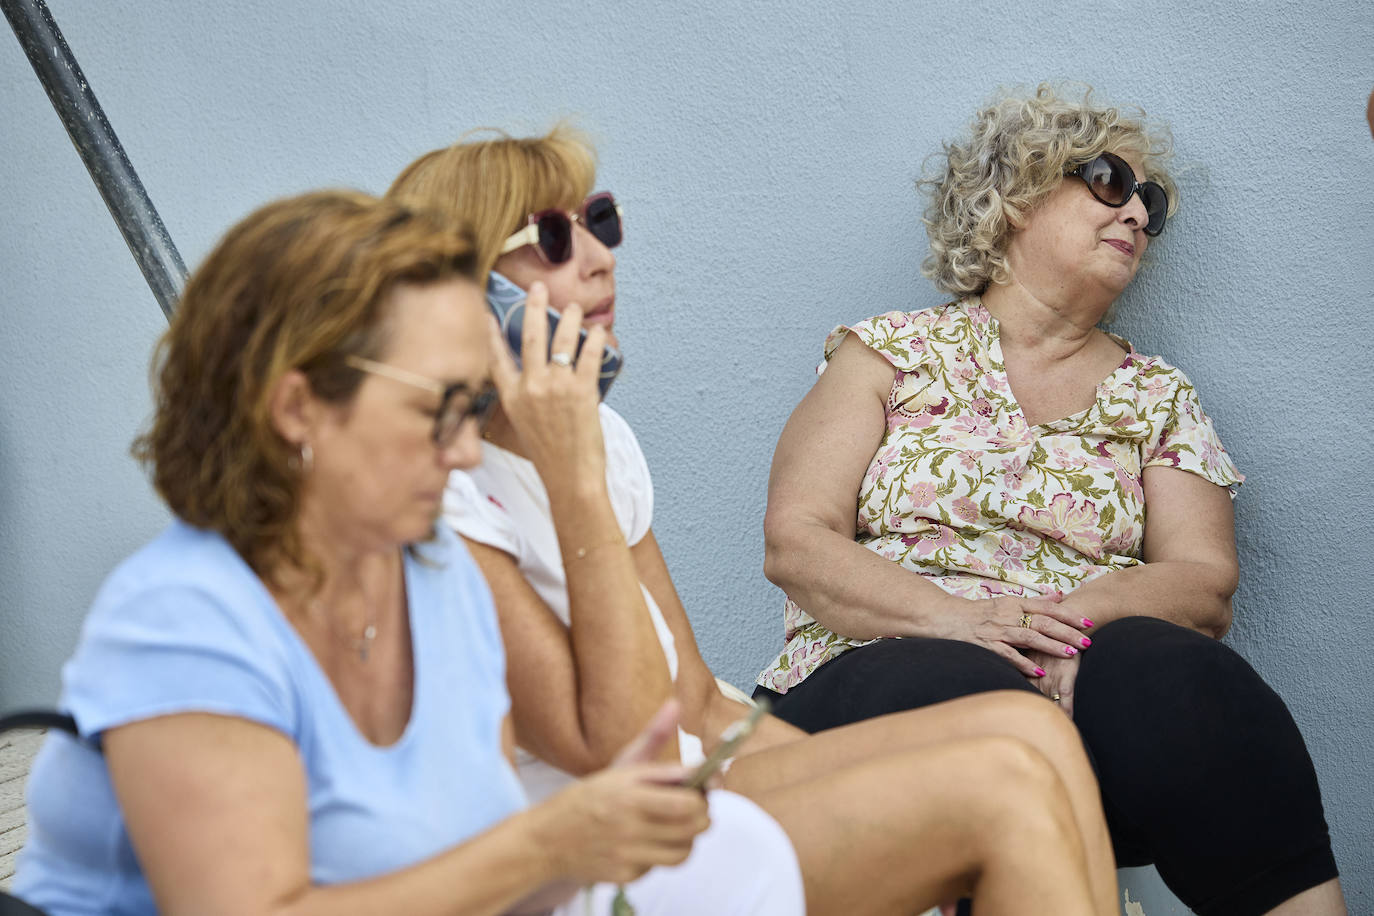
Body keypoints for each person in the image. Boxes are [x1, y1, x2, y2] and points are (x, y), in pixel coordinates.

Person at [11, 189, 806, 916]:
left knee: (744, 857)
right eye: (442, 408)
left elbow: (473, 880)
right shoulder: (183, 618)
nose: (467, 452)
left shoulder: (433, 574)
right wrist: (552, 843)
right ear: (297, 407)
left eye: (477, 404)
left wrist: (605, 842)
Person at [389, 129, 1118, 915]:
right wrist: (572, 479)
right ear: (465, 292)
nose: (600, 257)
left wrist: (878, 793)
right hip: (594, 847)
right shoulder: (442, 492)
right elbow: (621, 747)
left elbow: (696, 703)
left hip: (699, 781)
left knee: (1027, 731)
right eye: (554, 238)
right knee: (1000, 787)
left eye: (600, 221)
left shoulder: (604, 441)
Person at [754, 84, 1347, 915]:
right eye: (1109, 181)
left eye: (1153, 202)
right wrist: (957, 619)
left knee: (1191, 684)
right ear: (1014, 198)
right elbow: (798, 541)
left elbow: (1205, 580)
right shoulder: (887, 353)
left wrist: (1077, 623)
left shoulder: (1159, 396)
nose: (1138, 214)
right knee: (968, 690)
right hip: (882, 674)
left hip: (1079, 682)